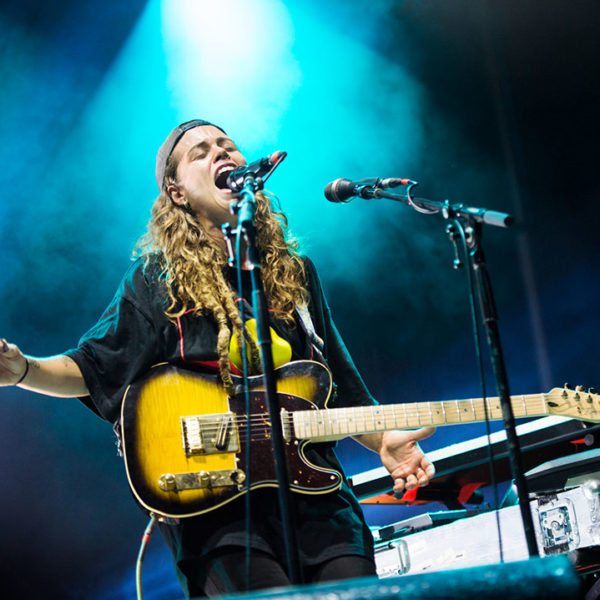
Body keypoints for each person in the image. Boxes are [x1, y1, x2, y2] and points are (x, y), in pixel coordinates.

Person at [0, 119, 435, 598]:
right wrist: (22, 370)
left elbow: (342, 390)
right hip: (218, 512)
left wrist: (386, 439)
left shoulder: (294, 273)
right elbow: (92, 367)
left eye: (227, 146)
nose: (222, 153)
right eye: (201, 152)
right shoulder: (157, 280)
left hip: (319, 505)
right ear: (178, 192)